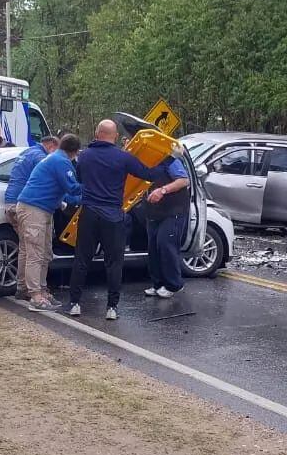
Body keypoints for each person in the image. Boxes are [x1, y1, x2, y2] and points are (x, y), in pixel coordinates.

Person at [68, 120, 168, 321]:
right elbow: (148, 174)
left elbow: (79, 179)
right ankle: (111, 308)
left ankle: (75, 304)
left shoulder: (84, 156)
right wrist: (168, 160)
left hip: (88, 214)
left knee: (82, 260)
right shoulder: (123, 158)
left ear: (97, 134)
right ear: (114, 136)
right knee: (114, 263)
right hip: (113, 216)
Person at [16, 134, 83, 311]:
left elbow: (65, 191)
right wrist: (94, 189)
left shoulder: (54, 158)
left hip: (36, 208)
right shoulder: (62, 162)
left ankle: (30, 289)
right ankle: (36, 296)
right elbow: (73, 187)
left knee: (41, 252)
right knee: (36, 253)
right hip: (35, 209)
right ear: (75, 151)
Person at [5, 136, 59, 299]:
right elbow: (48, 178)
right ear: (51, 147)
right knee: (37, 251)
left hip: (11, 204)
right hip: (29, 206)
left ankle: (22, 287)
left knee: (25, 249)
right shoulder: (40, 157)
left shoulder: (27, 152)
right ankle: (37, 291)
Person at [144, 150, 191, 299]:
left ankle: (174, 285)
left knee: (165, 244)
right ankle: (157, 284)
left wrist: (163, 190)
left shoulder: (169, 160)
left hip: (173, 210)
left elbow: (184, 180)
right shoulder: (143, 161)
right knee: (153, 247)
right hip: (154, 211)